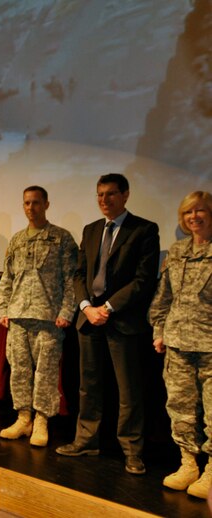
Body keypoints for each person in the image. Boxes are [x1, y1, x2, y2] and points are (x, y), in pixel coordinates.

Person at [56, 173, 160, 475]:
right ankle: (86, 441)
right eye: (100, 194)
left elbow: (143, 281)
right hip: (89, 320)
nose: (104, 200)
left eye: (111, 194)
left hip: (123, 321)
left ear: (125, 195)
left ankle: (131, 450)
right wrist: (87, 307)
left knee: (129, 390)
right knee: (88, 387)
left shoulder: (144, 230)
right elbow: (78, 275)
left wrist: (108, 308)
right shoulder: (90, 230)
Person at [0, 186, 78, 447]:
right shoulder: (18, 240)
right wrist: (2, 309)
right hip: (18, 315)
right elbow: (7, 277)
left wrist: (66, 312)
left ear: (46, 205)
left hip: (48, 318)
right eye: (27, 203)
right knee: (19, 370)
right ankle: (23, 418)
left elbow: (71, 279)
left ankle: (42, 420)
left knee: (45, 372)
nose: (31, 208)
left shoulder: (61, 239)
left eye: (36, 203)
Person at [149, 190, 212, 498]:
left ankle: (211, 471)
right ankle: (189, 464)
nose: (194, 216)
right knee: (181, 409)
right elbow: (163, 297)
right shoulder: (176, 251)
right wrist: (159, 331)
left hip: (210, 347)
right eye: (189, 212)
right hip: (177, 345)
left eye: (200, 211)